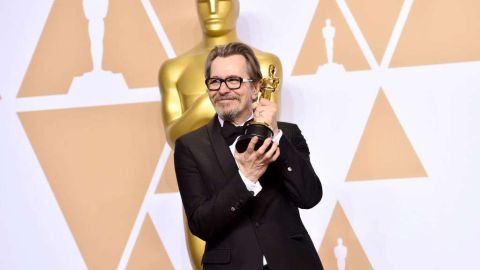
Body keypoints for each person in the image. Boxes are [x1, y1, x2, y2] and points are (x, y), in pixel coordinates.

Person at [174, 42, 323, 270]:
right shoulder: (190, 146)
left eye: (233, 80)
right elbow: (200, 224)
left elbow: (310, 196)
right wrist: (245, 178)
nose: (223, 89)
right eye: (215, 82)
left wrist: (275, 136)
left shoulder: (288, 134)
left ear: (255, 88)